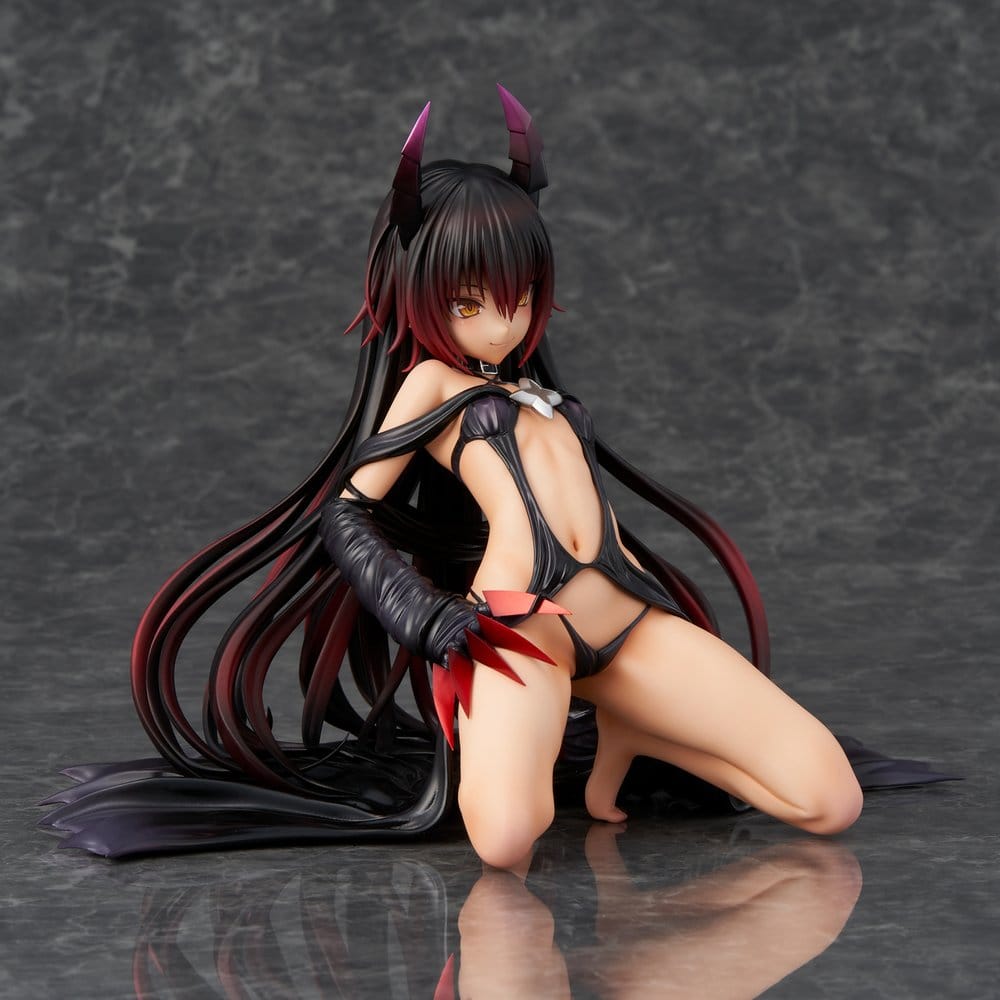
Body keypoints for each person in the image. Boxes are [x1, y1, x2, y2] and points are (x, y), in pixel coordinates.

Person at [41, 87, 945, 864]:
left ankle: (637, 726)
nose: (500, 324)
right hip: (518, 630)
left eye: (518, 299)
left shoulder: (532, 384)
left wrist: (657, 606)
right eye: (469, 302)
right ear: (421, 289)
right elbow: (347, 513)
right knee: (509, 842)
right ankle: (582, 734)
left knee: (830, 801)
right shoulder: (432, 383)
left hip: (630, 620)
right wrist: (428, 619)